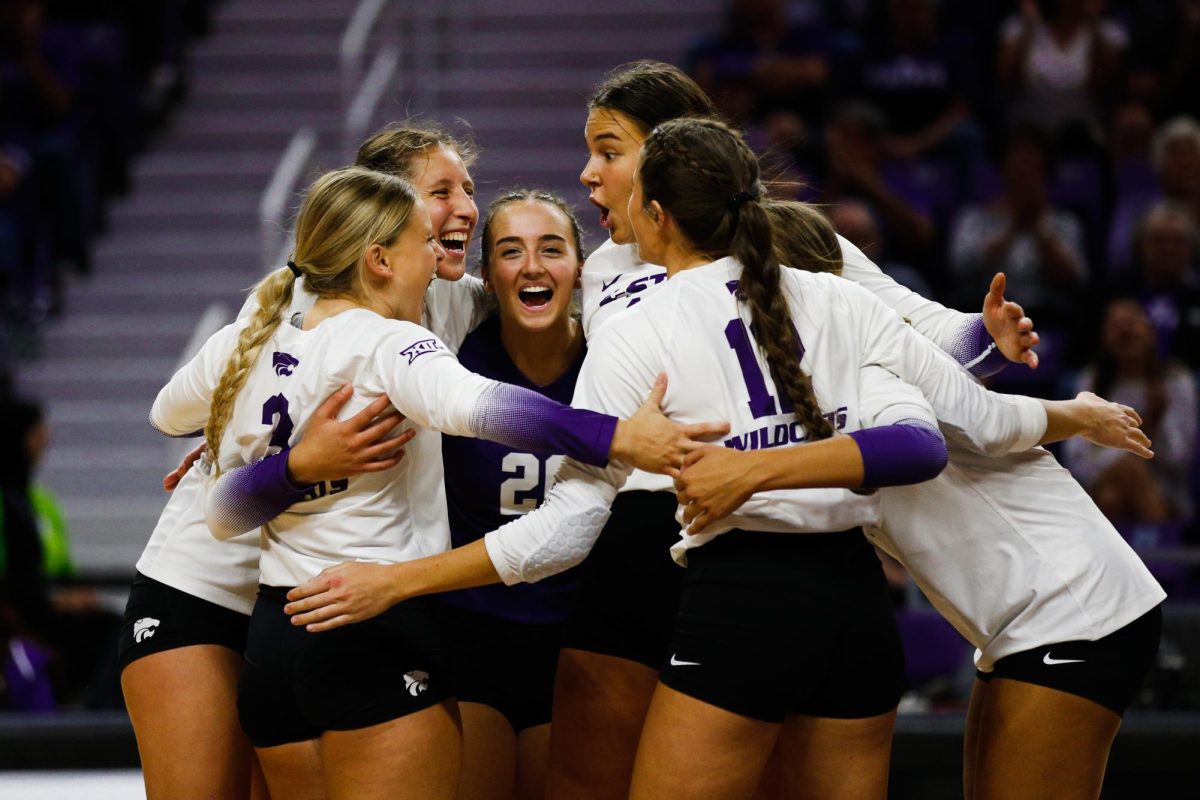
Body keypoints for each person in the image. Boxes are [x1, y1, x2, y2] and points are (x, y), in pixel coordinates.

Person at [157, 166, 715, 799]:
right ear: (379, 260)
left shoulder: (249, 343)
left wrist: (294, 467)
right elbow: (489, 408)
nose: (438, 259)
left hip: (278, 640)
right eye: (424, 242)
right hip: (372, 636)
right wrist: (618, 438)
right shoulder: (393, 342)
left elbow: (216, 501)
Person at [677, 202, 1165, 800]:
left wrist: (1081, 414)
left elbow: (975, 423)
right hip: (1022, 624)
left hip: (1076, 610)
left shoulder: (873, 365)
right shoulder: (809, 381)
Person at [121, 122, 494, 800]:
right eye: (440, 193)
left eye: (469, 190)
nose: (466, 208)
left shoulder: (454, 299)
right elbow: (176, 410)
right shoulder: (293, 299)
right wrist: (259, 447)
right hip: (202, 586)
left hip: (296, 609)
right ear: (377, 213)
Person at [436, 189, 589, 800]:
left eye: (551, 249)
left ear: (580, 269)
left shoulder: (616, 359)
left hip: (581, 640)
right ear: (486, 275)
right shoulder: (451, 364)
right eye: (510, 251)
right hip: (469, 633)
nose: (531, 266)